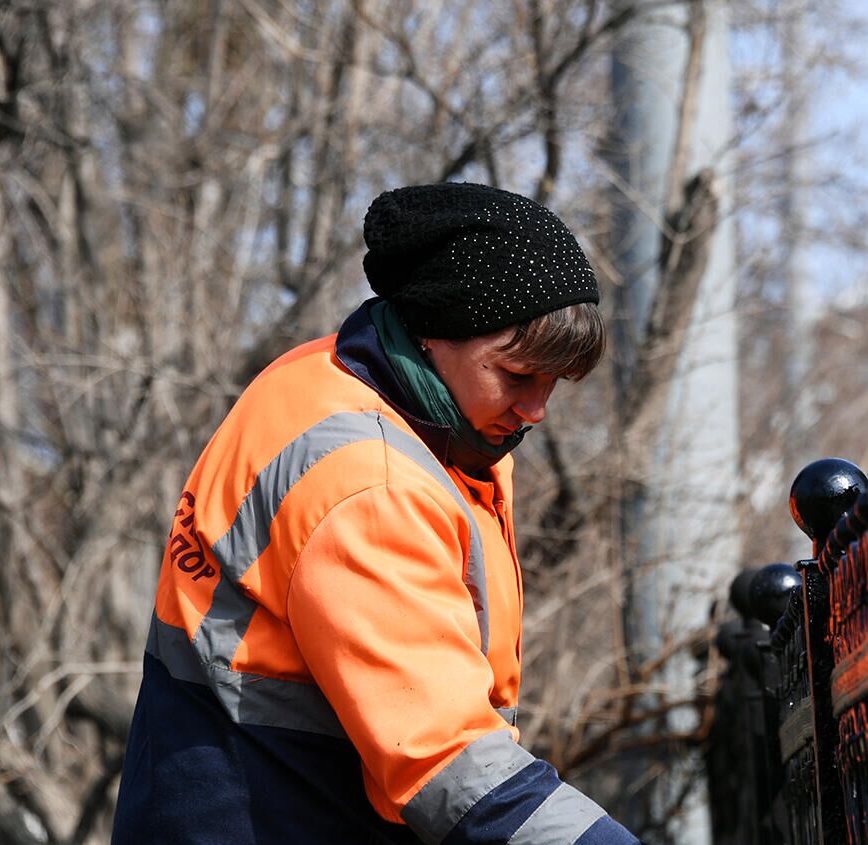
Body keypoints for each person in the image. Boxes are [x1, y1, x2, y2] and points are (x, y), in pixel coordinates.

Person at [112, 183, 639, 843]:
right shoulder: (372, 480)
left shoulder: (348, 384)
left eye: (554, 383)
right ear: (431, 331)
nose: (536, 409)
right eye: (517, 374)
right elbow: (451, 761)